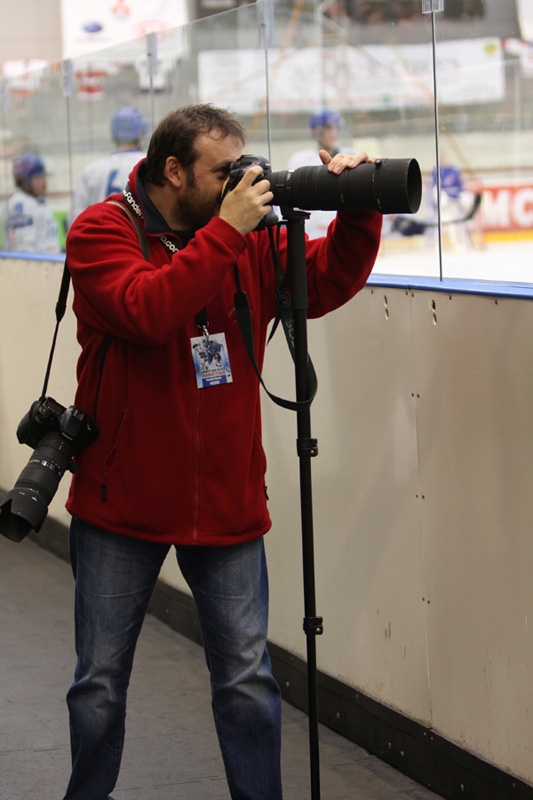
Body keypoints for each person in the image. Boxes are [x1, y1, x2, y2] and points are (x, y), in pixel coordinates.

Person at [62, 103, 382, 800]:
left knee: (245, 681)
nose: (241, 183)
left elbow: (320, 284)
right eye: (222, 172)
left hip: (227, 502)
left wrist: (357, 211)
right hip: (124, 502)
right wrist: (227, 232)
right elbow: (146, 311)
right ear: (171, 171)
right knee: (98, 686)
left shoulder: (244, 237)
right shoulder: (101, 231)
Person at [286, 109, 356, 239]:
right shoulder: (299, 160)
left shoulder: (352, 155)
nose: (334, 132)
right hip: (311, 235)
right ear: (316, 131)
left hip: (344, 232)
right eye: (328, 128)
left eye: (336, 127)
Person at [71, 106, 149, 219]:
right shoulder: (148, 165)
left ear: (114, 135)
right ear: (139, 135)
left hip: (98, 235)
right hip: (134, 235)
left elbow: (75, 219)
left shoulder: (90, 171)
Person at [3, 153, 60, 253]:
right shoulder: (20, 204)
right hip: (36, 267)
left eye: (44, 176)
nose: (44, 182)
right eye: (38, 177)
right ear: (23, 180)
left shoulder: (35, 201)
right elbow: (23, 250)